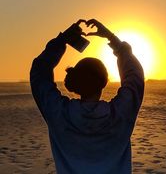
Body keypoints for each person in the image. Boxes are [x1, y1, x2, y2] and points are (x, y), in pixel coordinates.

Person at [30, 19, 144, 174]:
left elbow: (39, 72)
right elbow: (134, 77)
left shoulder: (59, 113)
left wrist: (62, 40)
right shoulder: (120, 114)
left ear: (75, 82)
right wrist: (113, 40)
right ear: (104, 83)